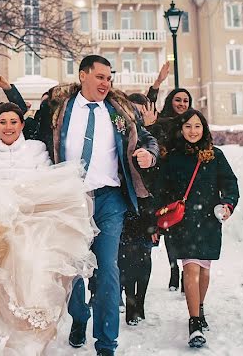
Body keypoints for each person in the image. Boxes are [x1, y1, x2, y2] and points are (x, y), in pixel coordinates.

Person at [0, 102, 97, 354]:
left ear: (22, 124)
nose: (8, 127)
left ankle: (29, 343)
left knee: (33, 281)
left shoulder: (36, 150)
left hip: (33, 225)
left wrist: (20, 202)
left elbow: (48, 185)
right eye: (3, 122)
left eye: (14, 122)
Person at [42, 55, 158, 356]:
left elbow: (147, 138)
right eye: (100, 77)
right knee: (73, 271)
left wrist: (149, 154)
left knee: (107, 268)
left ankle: (106, 344)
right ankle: (80, 316)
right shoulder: (60, 109)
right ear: (83, 76)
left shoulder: (120, 111)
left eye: (109, 78)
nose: (106, 83)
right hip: (71, 198)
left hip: (109, 199)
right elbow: (37, 139)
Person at [157, 109, 239, 348]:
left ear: (204, 129)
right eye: (188, 127)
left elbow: (230, 184)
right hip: (184, 222)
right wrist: (162, 212)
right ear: (180, 130)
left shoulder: (215, 156)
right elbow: (162, 188)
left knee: (204, 270)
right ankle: (194, 323)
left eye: (197, 126)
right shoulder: (172, 158)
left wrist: (228, 204)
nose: (193, 131)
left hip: (209, 220)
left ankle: (199, 308)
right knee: (190, 269)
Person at [119, 93, 161, 325]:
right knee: (125, 256)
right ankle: (130, 299)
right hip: (124, 202)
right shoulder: (120, 133)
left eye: (139, 110)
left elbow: (161, 173)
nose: (135, 115)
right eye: (131, 110)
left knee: (144, 255)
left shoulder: (150, 137)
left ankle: (140, 301)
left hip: (147, 205)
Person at [148, 86, 193, 291]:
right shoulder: (162, 123)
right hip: (167, 181)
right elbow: (147, 118)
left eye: (185, 100)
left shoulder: (194, 123)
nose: (182, 104)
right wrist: (155, 86)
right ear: (170, 102)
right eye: (178, 100)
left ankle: (186, 271)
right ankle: (174, 269)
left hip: (188, 183)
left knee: (187, 230)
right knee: (171, 228)